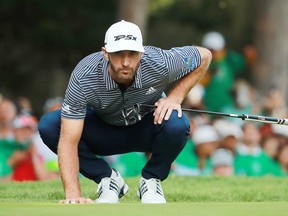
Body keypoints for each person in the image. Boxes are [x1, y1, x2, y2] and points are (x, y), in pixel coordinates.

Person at [38, 20, 211, 204]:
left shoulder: (160, 62)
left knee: (177, 122)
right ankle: (108, 179)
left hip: (146, 128)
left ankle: (151, 180)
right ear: (105, 53)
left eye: (132, 54)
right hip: (103, 131)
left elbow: (205, 56)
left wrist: (175, 97)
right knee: (50, 126)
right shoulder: (84, 75)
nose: (126, 62)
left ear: (142, 52)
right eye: (118, 54)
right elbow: (68, 140)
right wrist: (73, 194)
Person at [201, 31, 247, 112]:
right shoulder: (201, 63)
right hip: (207, 108)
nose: (213, 53)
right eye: (210, 49)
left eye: (215, 50)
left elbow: (244, 63)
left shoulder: (229, 59)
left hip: (226, 108)